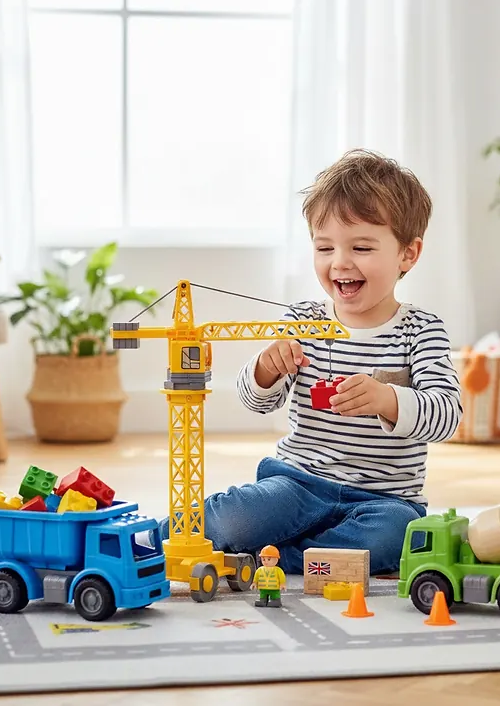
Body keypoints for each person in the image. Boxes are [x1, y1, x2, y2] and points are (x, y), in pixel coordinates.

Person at [159, 149, 463, 575]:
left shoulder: (422, 330)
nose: (339, 261)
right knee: (238, 515)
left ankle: (273, 557)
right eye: (324, 247)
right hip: (297, 484)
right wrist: (268, 366)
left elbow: (447, 416)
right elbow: (257, 401)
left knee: (396, 536)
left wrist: (388, 399)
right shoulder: (303, 320)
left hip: (384, 499)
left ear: (407, 255)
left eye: (361, 246)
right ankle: (153, 539)